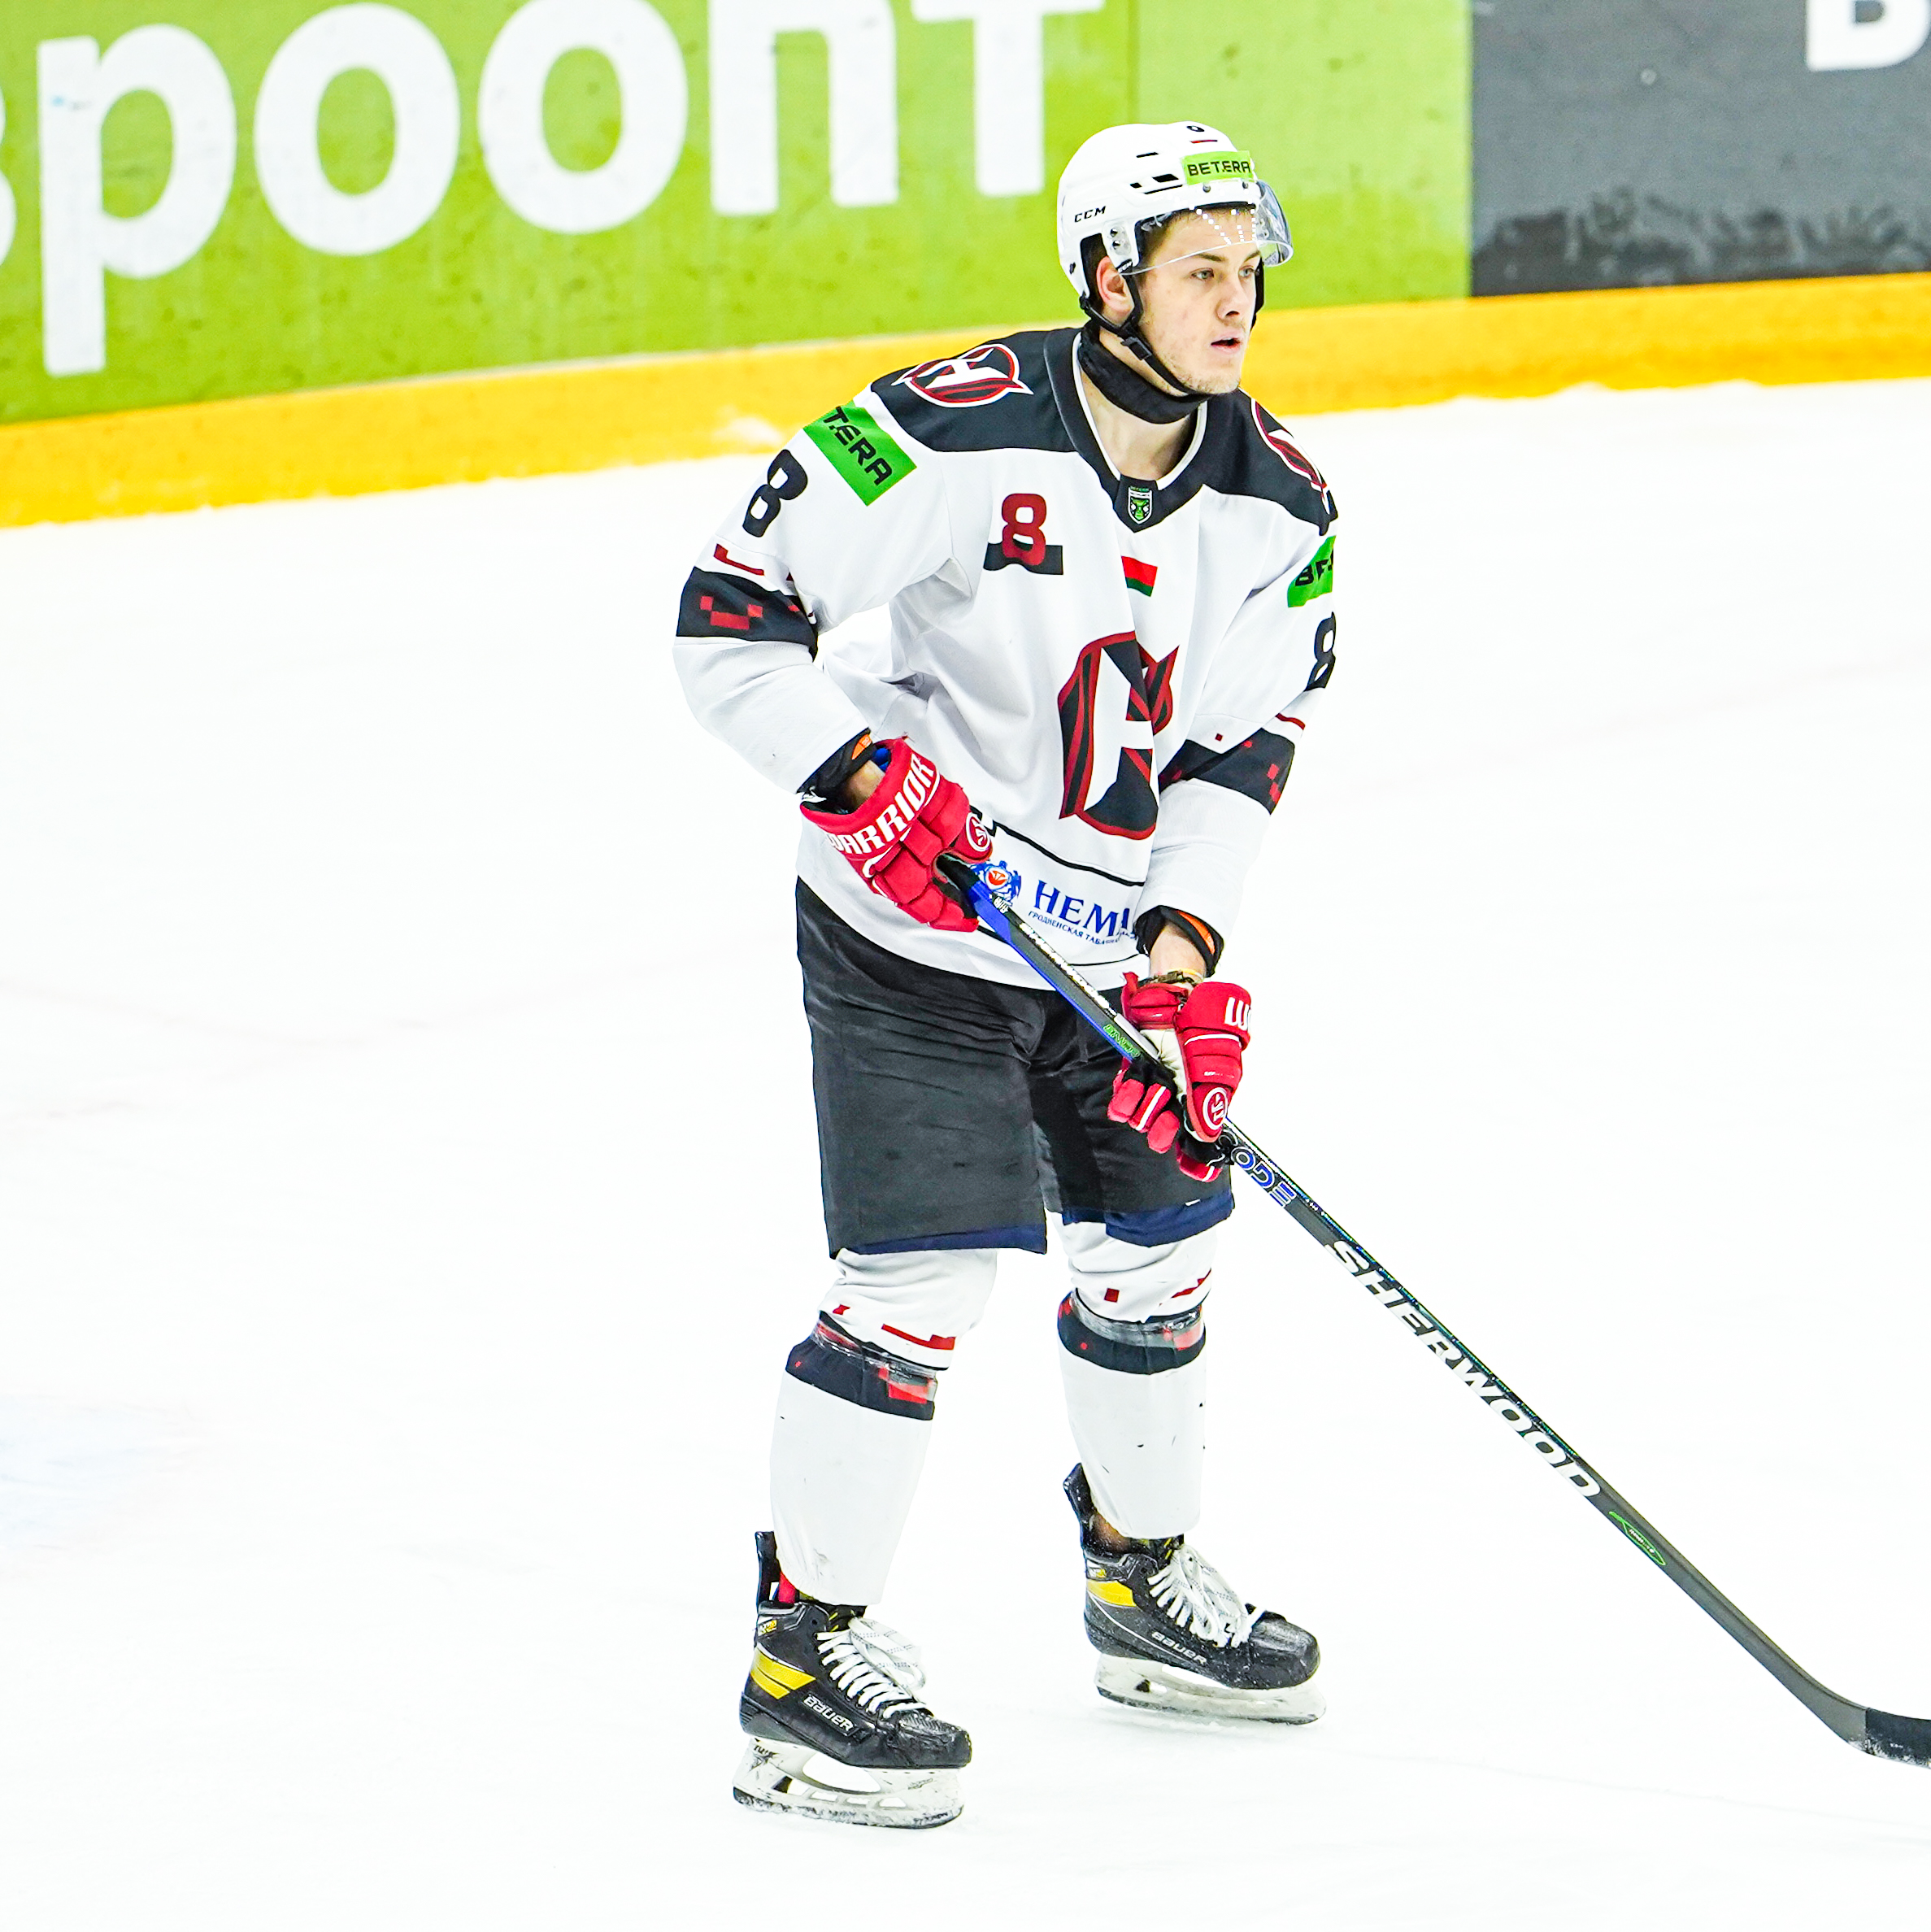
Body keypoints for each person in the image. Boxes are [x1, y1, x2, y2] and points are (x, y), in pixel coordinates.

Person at [672, 122, 1341, 1830]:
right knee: (920, 1284)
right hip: (910, 934)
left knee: (1161, 1259)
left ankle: (1142, 1583)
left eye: (1249, 271)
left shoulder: (1283, 500)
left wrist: (1185, 951)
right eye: (1199, 269)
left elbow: (1243, 744)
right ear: (1107, 276)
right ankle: (802, 1664)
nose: (1236, 302)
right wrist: (852, 769)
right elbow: (729, 619)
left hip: (1105, 954)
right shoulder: (943, 426)